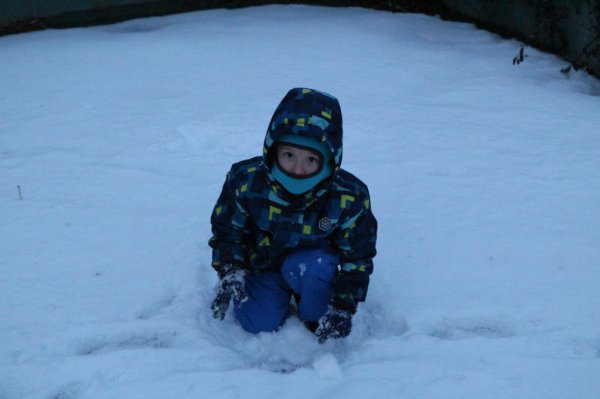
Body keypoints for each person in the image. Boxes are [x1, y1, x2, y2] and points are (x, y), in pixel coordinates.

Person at [208, 88, 377, 342]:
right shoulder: (246, 182)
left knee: (318, 310)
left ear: (330, 160)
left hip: (311, 268)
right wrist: (230, 269)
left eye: (311, 159)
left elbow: (358, 256)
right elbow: (227, 230)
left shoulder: (348, 198)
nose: (298, 169)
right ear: (272, 150)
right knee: (257, 323)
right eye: (289, 155)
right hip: (263, 264)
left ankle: (310, 302)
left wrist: (343, 306)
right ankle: (272, 295)